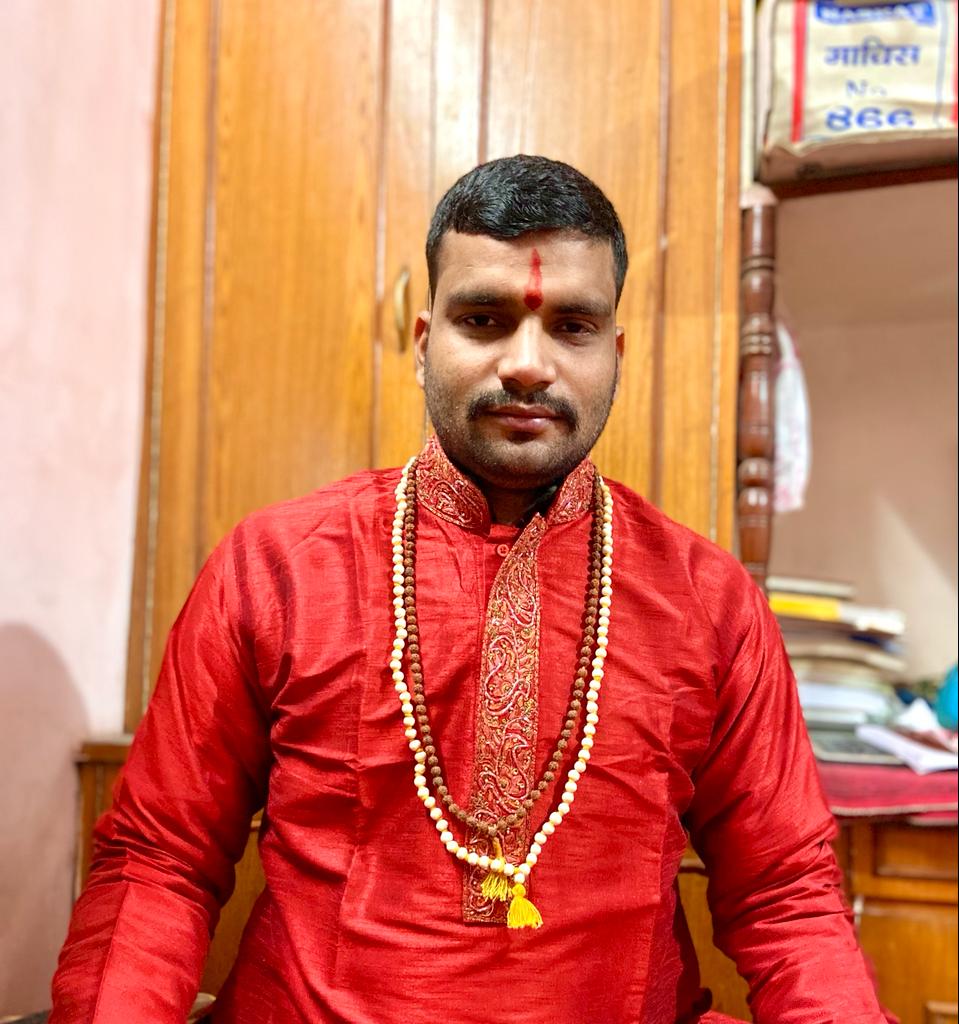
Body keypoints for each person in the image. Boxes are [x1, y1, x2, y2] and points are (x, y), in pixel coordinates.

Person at [50, 156, 890, 1024]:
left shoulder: (708, 599)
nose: (526, 364)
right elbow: (157, 862)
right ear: (423, 344)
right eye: (483, 319)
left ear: (615, 354)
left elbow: (786, 897)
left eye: (571, 326)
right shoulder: (276, 565)